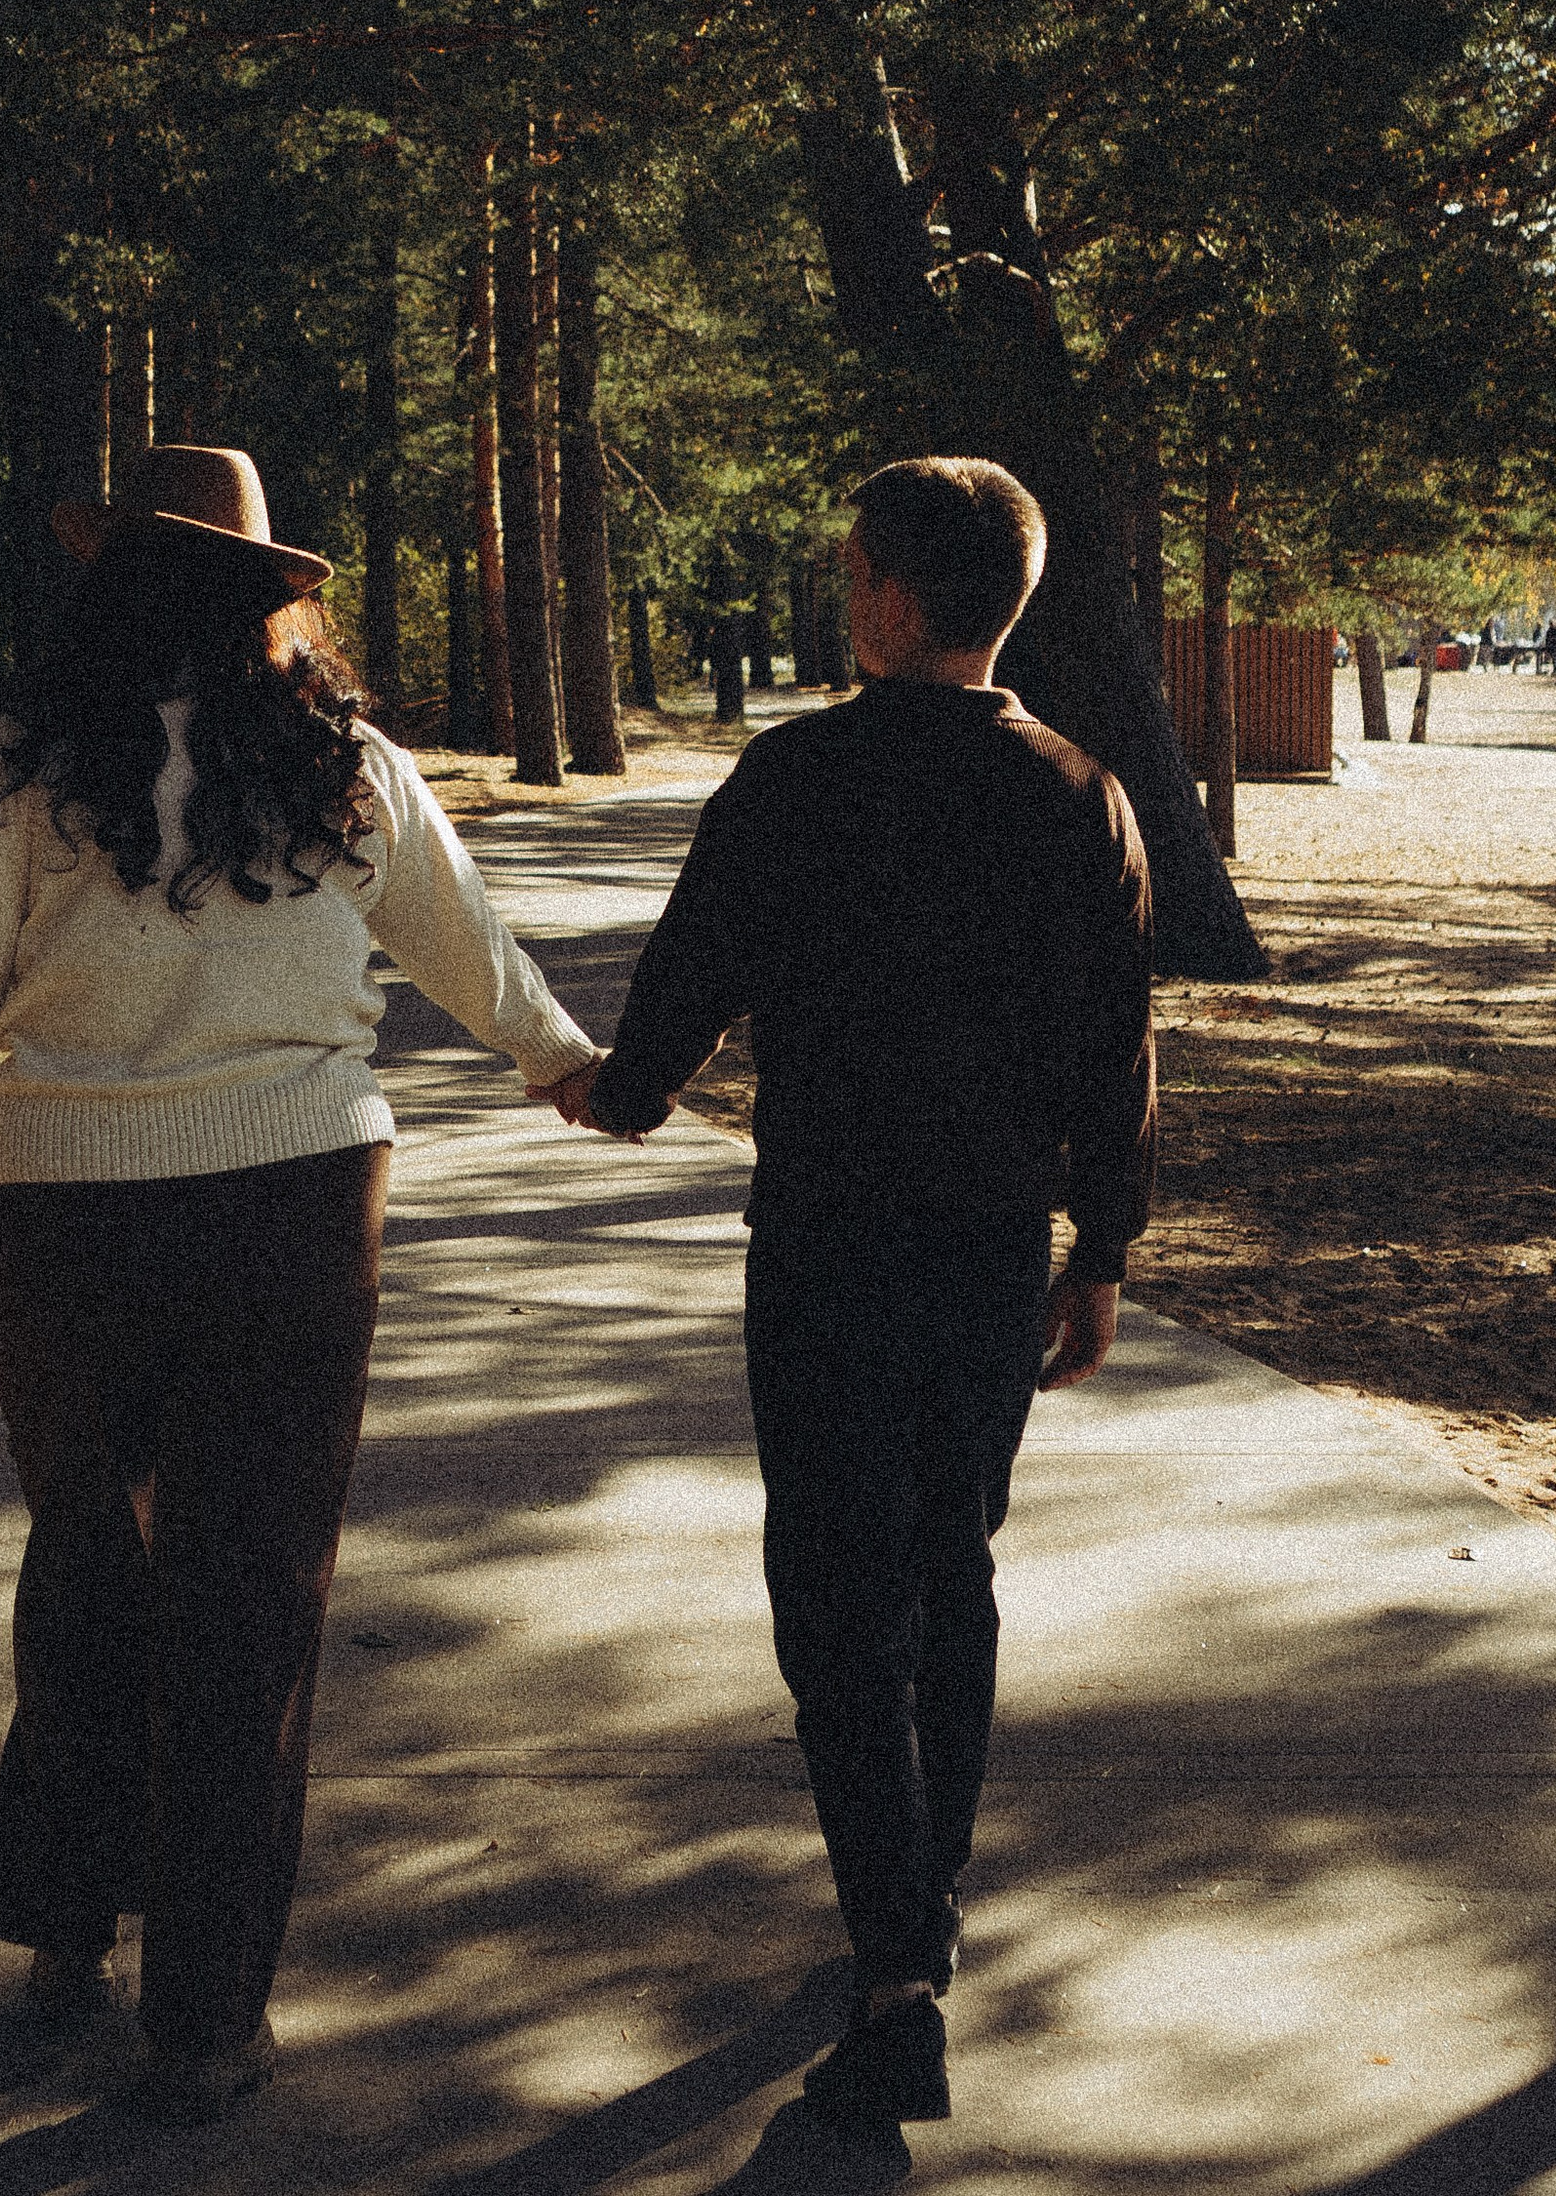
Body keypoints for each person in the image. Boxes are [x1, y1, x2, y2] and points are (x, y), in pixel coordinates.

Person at [0, 445, 598, 2123]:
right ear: (267, 606)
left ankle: (66, 1935)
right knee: (251, 1604)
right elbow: (462, 937)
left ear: (109, 590)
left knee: (89, 1559)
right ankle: (207, 2023)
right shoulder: (337, 767)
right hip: (295, 1215)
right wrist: (562, 1062)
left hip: (66, 1221)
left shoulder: (19, 775)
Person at [546, 455, 1154, 2135]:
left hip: (824, 1245)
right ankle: (922, 1909)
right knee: (949, 1566)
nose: (841, 588)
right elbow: (1119, 1057)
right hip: (984, 1254)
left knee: (834, 1601)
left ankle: (896, 1968)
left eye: (849, 568)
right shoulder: (1079, 790)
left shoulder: (794, 777)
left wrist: (615, 1090)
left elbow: (688, 986)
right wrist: (1101, 1252)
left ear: (891, 596)